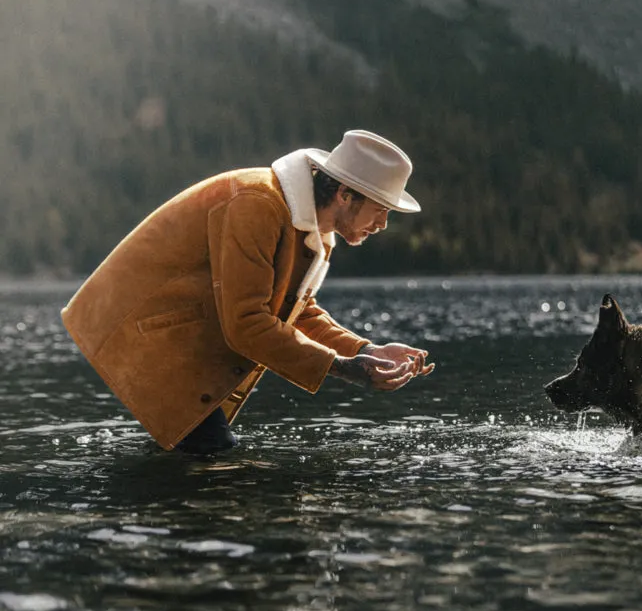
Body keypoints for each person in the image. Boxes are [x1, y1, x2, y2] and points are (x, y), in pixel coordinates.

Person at [62, 130, 434, 454]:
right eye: (380, 209)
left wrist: (366, 351)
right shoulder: (257, 204)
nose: (383, 225)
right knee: (212, 454)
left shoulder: (313, 228)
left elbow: (297, 312)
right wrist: (345, 370)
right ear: (344, 195)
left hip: (176, 337)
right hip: (138, 332)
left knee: (193, 455)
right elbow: (246, 324)